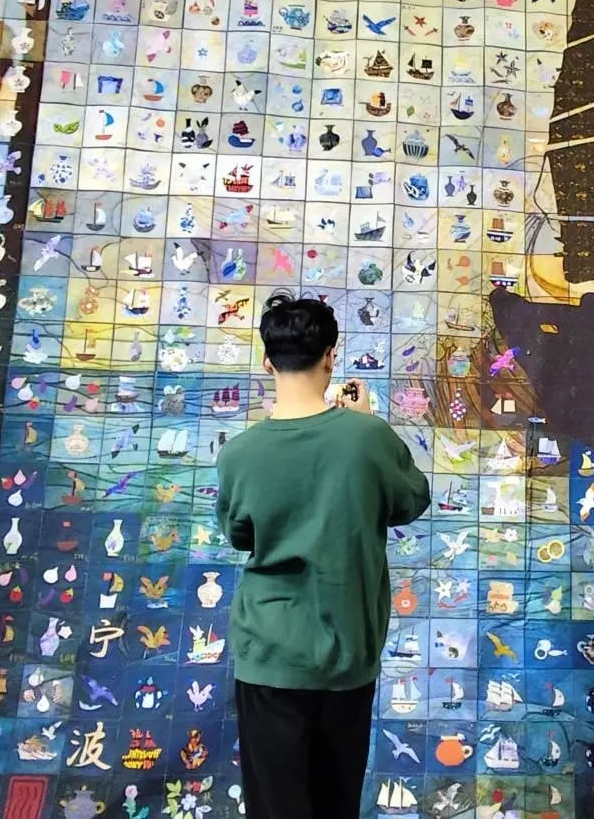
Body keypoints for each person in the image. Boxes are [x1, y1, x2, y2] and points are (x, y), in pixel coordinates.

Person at [217, 292, 430, 817]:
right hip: (346, 656)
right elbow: (410, 500)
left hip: (268, 656)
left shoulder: (239, 453)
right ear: (331, 357)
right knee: (337, 806)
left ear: (267, 361)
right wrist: (366, 423)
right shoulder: (367, 438)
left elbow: (240, 535)